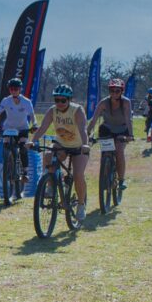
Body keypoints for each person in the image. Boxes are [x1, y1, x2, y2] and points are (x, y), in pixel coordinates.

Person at [29, 84, 90, 221]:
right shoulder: (52, 111)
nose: (60, 103)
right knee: (48, 155)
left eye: (63, 100)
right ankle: (50, 184)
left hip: (79, 146)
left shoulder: (77, 110)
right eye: (57, 100)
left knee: (78, 175)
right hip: (61, 143)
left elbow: (83, 129)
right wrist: (33, 141)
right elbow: (43, 127)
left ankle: (81, 204)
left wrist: (85, 144)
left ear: (70, 100)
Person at [0, 77, 36, 197]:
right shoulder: (6, 100)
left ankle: (25, 172)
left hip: (23, 128)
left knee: (23, 147)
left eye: (16, 89)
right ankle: (8, 164)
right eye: (11, 89)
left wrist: (34, 124)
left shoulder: (26, 101)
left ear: (20, 89)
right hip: (9, 128)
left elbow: (32, 115)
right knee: (6, 145)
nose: (13, 91)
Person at [86, 77, 133, 190]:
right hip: (107, 128)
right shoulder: (104, 102)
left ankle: (121, 180)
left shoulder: (126, 102)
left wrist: (130, 135)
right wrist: (87, 133)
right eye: (112, 90)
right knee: (105, 152)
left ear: (122, 91)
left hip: (122, 129)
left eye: (117, 91)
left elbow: (128, 119)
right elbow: (94, 119)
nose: (114, 93)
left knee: (119, 151)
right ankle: (105, 174)